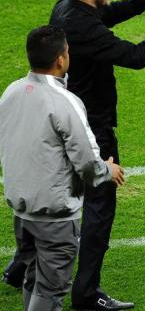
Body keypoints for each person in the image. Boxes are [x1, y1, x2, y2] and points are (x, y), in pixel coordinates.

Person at [48, 0, 145, 310]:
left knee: (56, 196)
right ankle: (86, 294)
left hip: (68, 118)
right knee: (100, 207)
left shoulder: (66, 8)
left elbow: (108, 12)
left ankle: (18, 269)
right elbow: (136, 56)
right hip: (93, 129)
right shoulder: (86, 28)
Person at [0, 25, 125, 311]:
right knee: (50, 291)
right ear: (60, 60)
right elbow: (87, 162)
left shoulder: (11, 92)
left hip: (22, 213)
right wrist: (108, 169)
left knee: (34, 279)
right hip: (54, 217)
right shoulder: (65, 101)